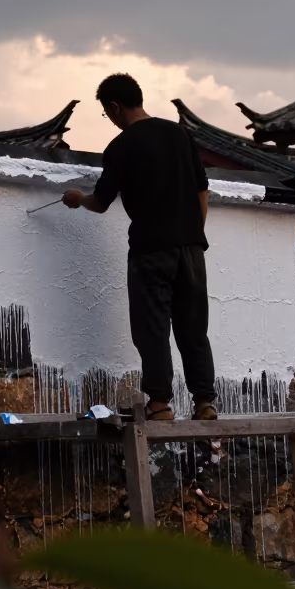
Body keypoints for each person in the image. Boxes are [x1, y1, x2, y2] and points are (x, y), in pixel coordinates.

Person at [62, 73, 217, 421]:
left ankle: (160, 404)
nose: (110, 119)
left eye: (107, 112)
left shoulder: (120, 147)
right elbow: (202, 190)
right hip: (191, 249)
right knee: (193, 328)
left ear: (114, 106)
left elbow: (101, 202)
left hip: (150, 250)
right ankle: (205, 402)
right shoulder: (180, 134)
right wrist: (193, 233)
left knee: (153, 328)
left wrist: (77, 199)